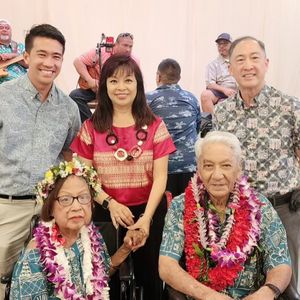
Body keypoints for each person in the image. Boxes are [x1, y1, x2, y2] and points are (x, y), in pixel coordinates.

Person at [71, 54, 176, 300]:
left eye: (128, 81)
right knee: (106, 279)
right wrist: (110, 202)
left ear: (138, 85)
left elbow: (161, 178)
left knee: (150, 277)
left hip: (148, 210)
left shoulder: (155, 125)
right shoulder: (90, 127)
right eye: (113, 81)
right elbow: (84, 176)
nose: (121, 88)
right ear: (104, 85)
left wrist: (147, 219)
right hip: (105, 212)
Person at [213, 36, 300, 299]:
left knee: (287, 286)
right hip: (240, 212)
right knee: (242, 283)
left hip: (284, 208)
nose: (248, 65)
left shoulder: (290, 106)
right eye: (240, 59)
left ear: (266, 63)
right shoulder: (222, 112)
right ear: (230, 68)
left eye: (254, 58)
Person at [159, 131, 292, 300]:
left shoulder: (260, 205)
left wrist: (267, 292)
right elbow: (166, 266)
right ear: (198, 169)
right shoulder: (181, 206)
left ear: (238, 169)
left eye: (226, 166)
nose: (217, 175)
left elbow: (280, 262)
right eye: (208, 166)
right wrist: (208, 296)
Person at [0, 24, 81, 298]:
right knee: (2, 278)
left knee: (48, 282)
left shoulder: (69, 109)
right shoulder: (3, 98)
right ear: (26, 57)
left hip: (49, 211)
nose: (49, 63)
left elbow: (70, 155)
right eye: (42, 54)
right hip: (8, 208)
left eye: (56, 57)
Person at [10, 157, 144, 299]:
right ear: (50, 209)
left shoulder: (91, 236)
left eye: (83, 197)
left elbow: (101, 275)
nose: (76, 207)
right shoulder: (35, 257)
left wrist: (126, 248)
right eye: (65, 199)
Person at [147, 58, 201, 197]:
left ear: (158, 76)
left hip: (162, 167)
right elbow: (198, 127)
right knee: (190, 212)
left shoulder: (148, 99)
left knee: (164, 213)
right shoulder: (191, 98)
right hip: (190, 165)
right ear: (179, 77)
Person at [69, 32, 139, 122]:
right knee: (75, 96)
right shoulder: (100, 52)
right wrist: (89, 80)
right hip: (97, 89)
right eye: (125, 45)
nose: (128, 49)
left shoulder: (134, 60)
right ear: (115, 44)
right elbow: (77, 61)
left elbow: (137, 81)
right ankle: (91, 124)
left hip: (118, 92)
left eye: (130, 46)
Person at [200, 33, 237, 114]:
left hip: (237, 90)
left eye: (225, 43)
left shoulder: (238, 61)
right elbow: (210, 84)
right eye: (219, 44)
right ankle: (213, 123)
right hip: (220, 92)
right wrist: (225, 90)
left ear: (232, 45)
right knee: (205, 95)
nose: (221, 46)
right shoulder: (213, 65)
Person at [0, 19, 27, 84]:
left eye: (7, 28)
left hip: (24, 83)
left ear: (11, 32)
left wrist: (14, 55)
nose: (4, 29)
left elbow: (28, 64)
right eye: (1, 28)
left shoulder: (20, 46)